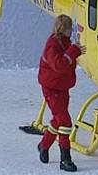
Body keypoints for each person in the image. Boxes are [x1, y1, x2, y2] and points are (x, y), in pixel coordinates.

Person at [37, 14, 86, 172]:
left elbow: (66, 62)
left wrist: (75, 51)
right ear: (62, 29)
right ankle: (65, 159)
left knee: (58, 121)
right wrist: (73, 51)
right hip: (52, 89)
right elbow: (59, 65)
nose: (71, 31)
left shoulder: (65, 43)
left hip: (62, 87)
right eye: (69, 28)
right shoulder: (53, 45)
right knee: (65, 122)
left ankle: (43, 146)